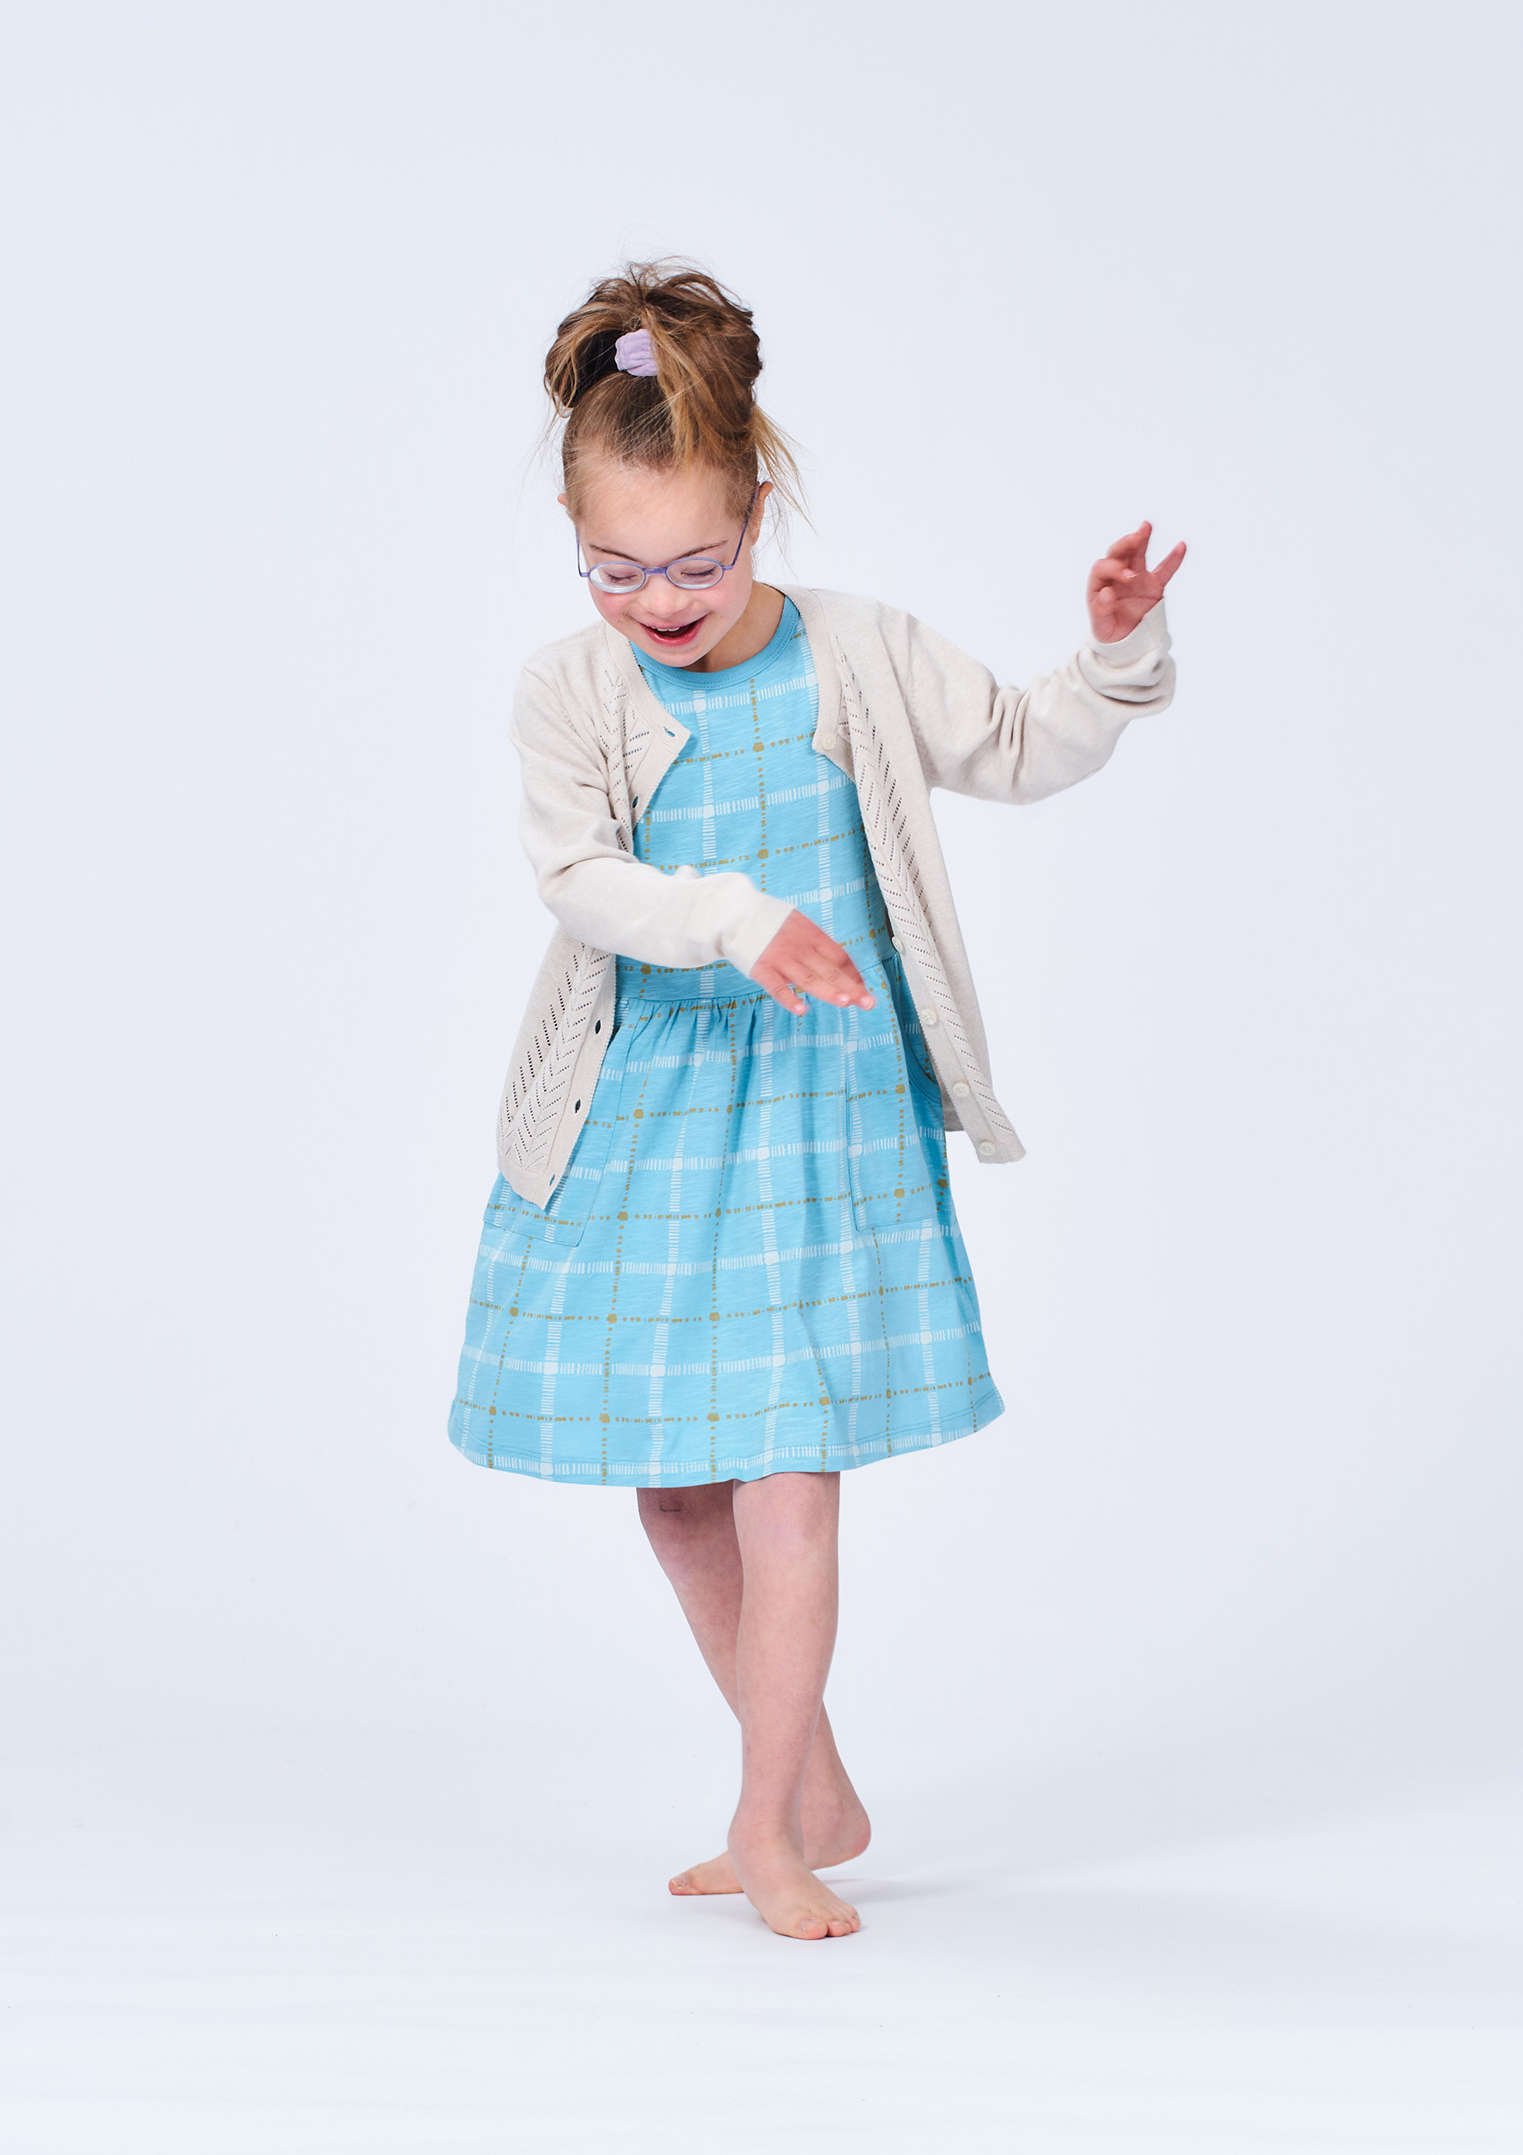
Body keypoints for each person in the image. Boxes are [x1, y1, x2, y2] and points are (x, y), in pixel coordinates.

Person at [448, 263, 1184, 1940]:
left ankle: (766, 1823)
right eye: (618, 570)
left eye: (698, 564)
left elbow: (1023, 747)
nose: (659, 600)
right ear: (575, 542)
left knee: (788, 1471)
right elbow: (577, 876)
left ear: (757, 515)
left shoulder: (858, 652)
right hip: (646, 1112)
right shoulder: (569, 689)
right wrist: (735, 919)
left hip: (816, 1109)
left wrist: (1114, 652)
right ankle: (819, 1784)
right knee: (674, 1487)